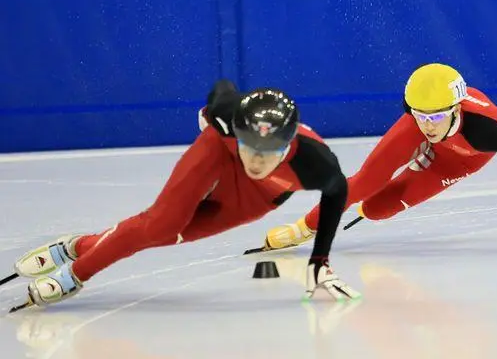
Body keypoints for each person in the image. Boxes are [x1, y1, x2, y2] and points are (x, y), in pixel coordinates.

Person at [10, 81, 360, 311]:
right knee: (162, 223)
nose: (255, 159)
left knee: (170, 235)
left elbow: (337, 194)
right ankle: (76, 274)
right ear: (236, 129)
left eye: (268, 152)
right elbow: (222, 89)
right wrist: (209, 118)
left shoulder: (317, 163)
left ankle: (76, 246)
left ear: (288, 145)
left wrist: (319, 262)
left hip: (258, 198)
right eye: (249, 145)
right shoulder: (228, 117)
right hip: (217, 154)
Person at [262, 63, 497, 253]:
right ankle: (307, 226)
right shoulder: (418, 120)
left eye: (436, 116)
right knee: (366, 182)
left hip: (461, 159)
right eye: (420, 114)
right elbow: (421, 121)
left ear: (455, 110)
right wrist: (308, 227)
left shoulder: (485, 133)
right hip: (431, 142)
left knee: (376, 210)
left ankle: (388, 192)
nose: (428, 124)